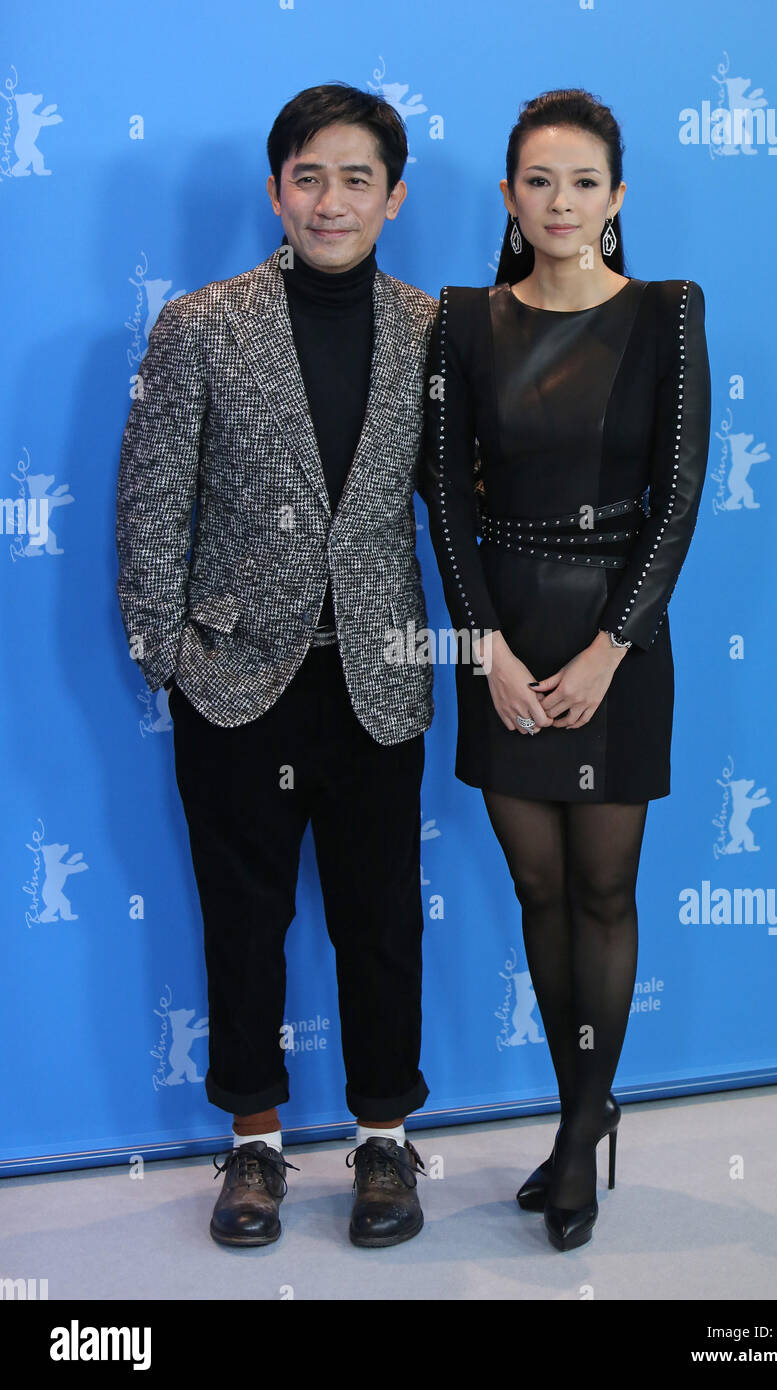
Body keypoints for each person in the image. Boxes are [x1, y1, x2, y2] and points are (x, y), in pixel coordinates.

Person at [116, 83, 438, 1249]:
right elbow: (152, 502)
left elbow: (447, 507)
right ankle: (253, 1143)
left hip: (378, 678)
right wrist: (169, 654)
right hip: (238, 680)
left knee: (381, 917)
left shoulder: (429, 329)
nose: (332, 198)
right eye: (310, 175)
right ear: (275, 190)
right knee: (243, 917)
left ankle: (384, 1141)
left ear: (393, 198)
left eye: (359, 177)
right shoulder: (200, 325)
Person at [420, 88, 711, 1251]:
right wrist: (483, 647)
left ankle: (580, 1136)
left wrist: (610, 646)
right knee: (539, 891)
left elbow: (678, 497)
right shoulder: (459, 319)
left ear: (617, 196)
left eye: (584, 181)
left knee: (602, 891)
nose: (560, 201)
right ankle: (580, 1114)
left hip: (617, 640)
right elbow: (442, 496)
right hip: (504, 635)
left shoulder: (668, 313)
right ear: (507, 195)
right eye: (538, 180)